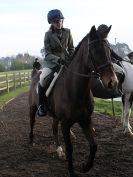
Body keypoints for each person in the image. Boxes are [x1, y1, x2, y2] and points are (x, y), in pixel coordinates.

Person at [37, 9, 75, 117]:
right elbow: (47, 54)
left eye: (60, 20)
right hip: (51, 63)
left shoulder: (68, 31)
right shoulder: (48, 35)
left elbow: (71, 48)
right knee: (43, 79)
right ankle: (41, 104)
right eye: (56, 21)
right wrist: (58, 60)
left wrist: (71, 57)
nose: (59, 23)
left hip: (66, 61)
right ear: (51, 23)